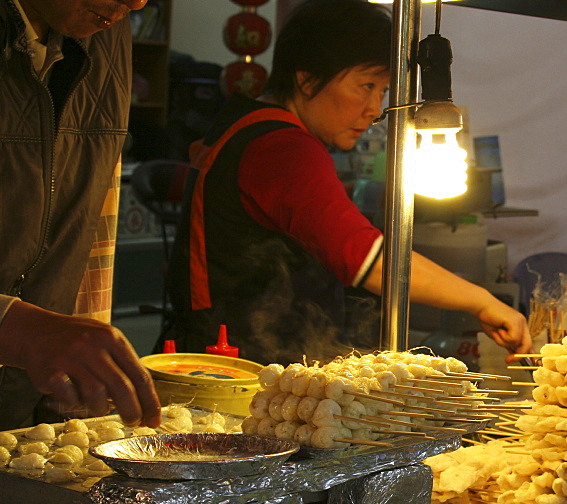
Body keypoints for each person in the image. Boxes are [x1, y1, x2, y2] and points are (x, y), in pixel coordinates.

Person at [166, 0, 532, 365]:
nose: (375, 109)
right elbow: (365, 259)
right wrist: (482, 301)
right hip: (236, 364)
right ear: (306, 79)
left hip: (226, 348)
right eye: (366, 85)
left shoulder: (247, 122)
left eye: (384, 91)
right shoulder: (283, 147)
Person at [0, 0, 161, 430]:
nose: (137, 2)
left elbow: (91, 233)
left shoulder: (104, 27)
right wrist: (14, 328)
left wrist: (72, 410)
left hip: (20, 410)